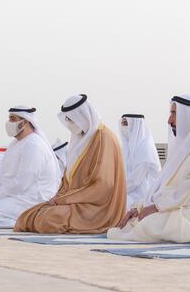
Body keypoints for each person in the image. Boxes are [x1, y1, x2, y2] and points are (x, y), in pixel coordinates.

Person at [108, 95, 190, 243]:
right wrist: (141, 207)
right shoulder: (189, 142)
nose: (170, 120)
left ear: (188, 116)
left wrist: (157, 207)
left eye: (174, 114)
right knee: (135, 222)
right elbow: (167, 183)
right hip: (183, 206)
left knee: (149, 225)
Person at [15, 94, 125, 234]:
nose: (69, 123)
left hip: (97, 207)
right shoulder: (80, 140)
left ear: (82, 116)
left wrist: (65, 199)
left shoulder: (103, 138)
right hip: (74, 202)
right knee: (27, 216)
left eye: (71, 119)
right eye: (66, 119)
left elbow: (103, 186)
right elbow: (68, 179)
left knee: (49, 219)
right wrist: (59, 197)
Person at [0, 106, 62, 228]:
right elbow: (2, 179)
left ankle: (30, 222)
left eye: (12, 119)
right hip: (15, 197)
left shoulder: (34, 145)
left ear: (25, 122)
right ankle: (24, 221)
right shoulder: (15, 144)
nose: (8, 123)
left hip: (32, 200)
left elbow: (22, 183)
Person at [119, 114, 162, 211]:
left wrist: (116, 190)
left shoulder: (145, 148)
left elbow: (135, 180)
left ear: (135, 126)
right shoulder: (127, 148)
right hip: (128, 191)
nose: (124, 128)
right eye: (122, 124)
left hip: (143, 194)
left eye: (126, 124)